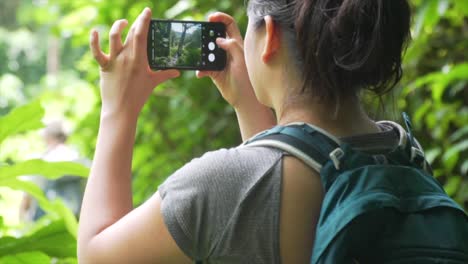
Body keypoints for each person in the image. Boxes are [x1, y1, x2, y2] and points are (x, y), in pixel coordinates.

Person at [78, 1, 416, 263]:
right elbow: (284, 172)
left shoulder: (220, 182)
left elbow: (96, 255)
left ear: (269, 36)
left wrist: (118, 110)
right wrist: (248, 105)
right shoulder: (402, 152)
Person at [20, 121, 85, 222]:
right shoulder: (81, 161)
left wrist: (23, 222)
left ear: (47, 137)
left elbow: (28, 197)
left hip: (45, 224)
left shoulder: (42, 161)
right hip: (75, 223)